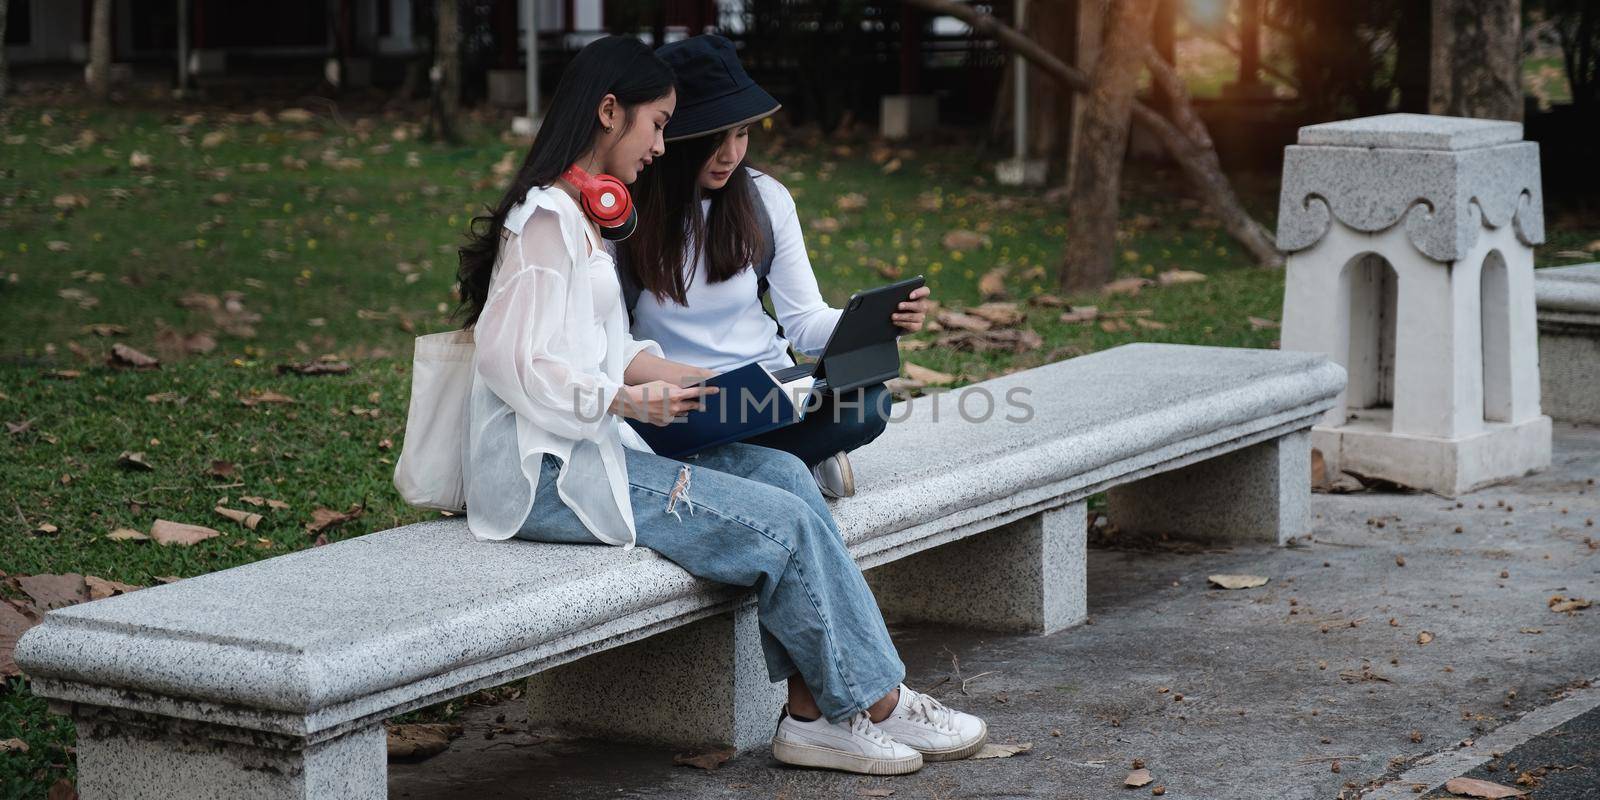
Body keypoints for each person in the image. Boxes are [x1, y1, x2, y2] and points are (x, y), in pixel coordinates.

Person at [455, 35, 986, 775]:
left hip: (604, 448)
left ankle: (812, 719)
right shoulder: (546, 219)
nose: (663, 143)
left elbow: (612, 346)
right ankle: (879, 701)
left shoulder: (585, 213)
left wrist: (694, 386)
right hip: (549, 473)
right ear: (611, 112)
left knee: (791, 482)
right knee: (783, 524)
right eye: (660, 124)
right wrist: (621, 397)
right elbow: (506, 360)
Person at [619, 34, 933, 499]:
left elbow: (804, 322)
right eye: (714, 138)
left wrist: (877, 322)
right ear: (672, 134)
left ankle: (762, 463)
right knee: (660, 433)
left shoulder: (766, 199)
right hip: (682, 401)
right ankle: (792, 460)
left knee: (869, 405)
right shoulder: (623, 215)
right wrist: (689, 383)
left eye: (742, 133)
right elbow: (610, 346)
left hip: (772, 392)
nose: (730, 154)